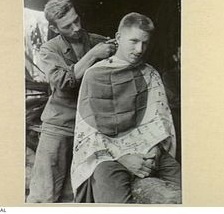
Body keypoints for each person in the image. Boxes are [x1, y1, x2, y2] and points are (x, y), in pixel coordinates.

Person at [71, 12, 181, 203]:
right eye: (134, 41)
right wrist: (123, 157)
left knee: (191, 195)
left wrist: (154, 150)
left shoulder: (150, 74)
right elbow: (89, 131)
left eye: (145, 43)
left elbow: (160, 120)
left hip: (150, 151)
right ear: (119, 37)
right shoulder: (94, 75)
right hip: (109, 156)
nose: (139, 49)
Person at [27, 0, 117, 203]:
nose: (76, 28)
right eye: (67, 26)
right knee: (43, 193)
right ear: (56, 29)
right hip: (58, 125)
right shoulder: (49, 49)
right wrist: (93, 55)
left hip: (87, 127)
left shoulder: (96, 41)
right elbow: (63, 81)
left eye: (76, 20)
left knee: (73, 193)